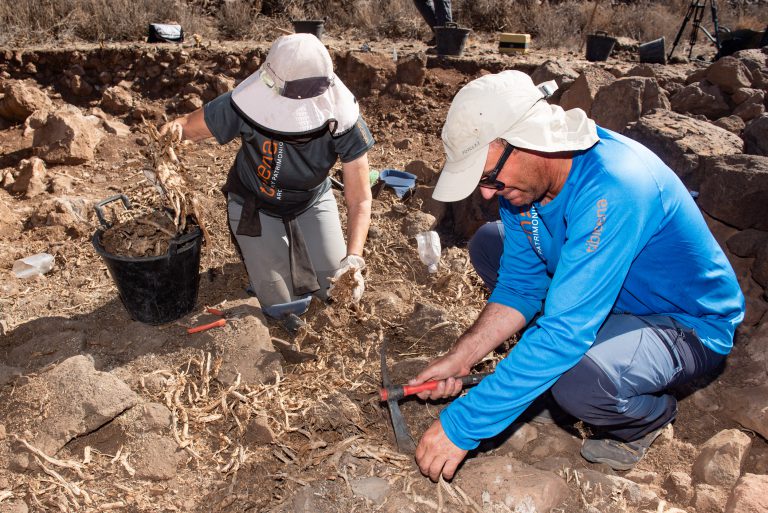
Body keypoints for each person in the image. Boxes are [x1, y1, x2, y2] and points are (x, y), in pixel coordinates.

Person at [411, 70, 745, 480]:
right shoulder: (523, 186)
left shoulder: (616, 185)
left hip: (685, 322)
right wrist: (459, 359)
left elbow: (563, 332)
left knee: (575, 381)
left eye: (487, 177)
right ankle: (553, 358)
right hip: (612, 294)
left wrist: (461, 425)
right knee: (489, 244)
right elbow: (519, 284)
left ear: (529, 139)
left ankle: (650, 418)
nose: (485, 193)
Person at [163, 34, 374, 326]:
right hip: (255, 203)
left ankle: (299, 253)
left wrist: (353, 259)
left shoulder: (345, 121)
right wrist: (162, 148)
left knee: (334, 289)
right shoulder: (244, 104)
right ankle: (263, 260)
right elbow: (186, 126)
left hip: (311, 201)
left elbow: (360, 199)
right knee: (281, 305)